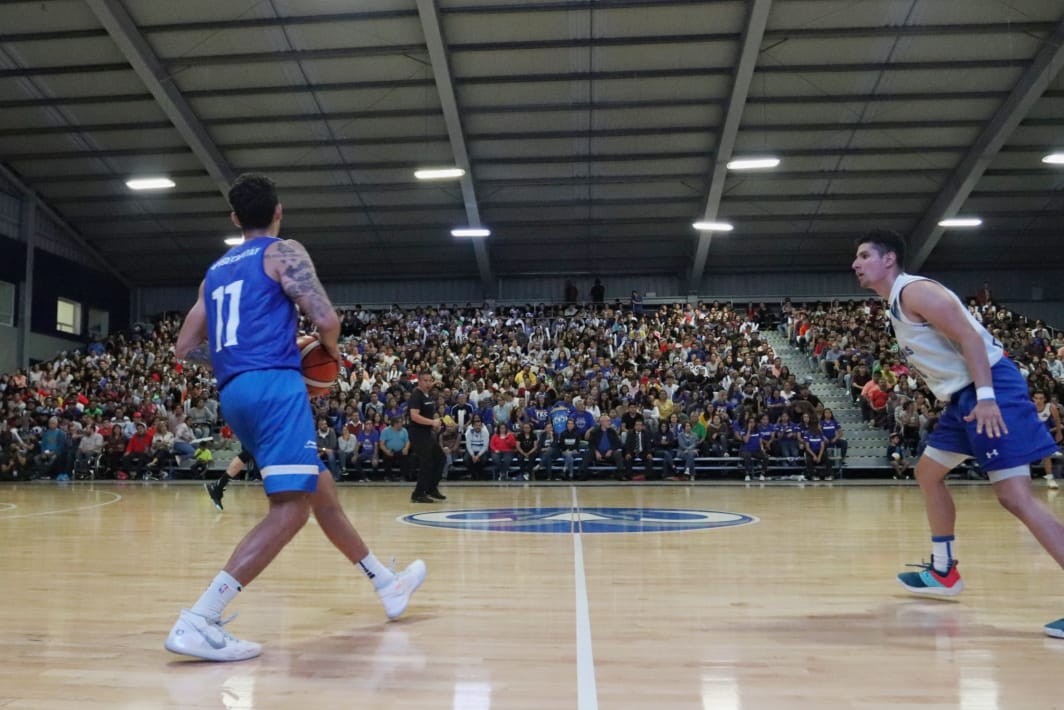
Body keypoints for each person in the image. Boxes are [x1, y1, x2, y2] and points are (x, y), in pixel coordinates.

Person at [168, 172, 425, 662]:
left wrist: (241, 358)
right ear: (279, 211)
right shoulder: (283, 252)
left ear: (235, 218)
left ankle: (386, 582)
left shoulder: (215, 271)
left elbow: (185, 348)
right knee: (291, 509)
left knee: (319, 490)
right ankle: (201, 618)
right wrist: (324, 356)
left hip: (235, 391)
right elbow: (327, 320)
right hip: (274, 386)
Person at [852, 229, 1062, 639]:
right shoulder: (896, 302)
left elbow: (968, 336)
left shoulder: (916, 292)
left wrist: (986, 397)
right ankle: (944, 571)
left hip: (990, 390)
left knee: (1015, 498)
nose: (855, 264)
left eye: (863, 256)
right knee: (928, 473)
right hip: (963, 398)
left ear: (889, 259)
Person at [406, 370, 447, 503]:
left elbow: (431, 384)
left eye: (430, 380)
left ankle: (431, 488)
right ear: (419, 381)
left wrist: (434, 425)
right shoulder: (416, 396)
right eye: (425, 380)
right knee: (427, 463)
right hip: (418, 434)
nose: (428, 383)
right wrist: (432, 422)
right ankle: (418, 493)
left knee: (440, 457)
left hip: (426, 434)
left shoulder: (427, 394)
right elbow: (414, 416)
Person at [1033, 390, 1062, 489]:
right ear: (1033, 399)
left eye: (1041, 398)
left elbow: (1058, 421)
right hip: (1031, 435)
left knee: (1046, 454)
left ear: (1045, 399)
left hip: (1044, 436)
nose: (1038, 401)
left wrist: (1059, 432)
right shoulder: (1029, 408)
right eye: (1036, 398)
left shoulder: (1050, 407)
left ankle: (1050, 479)